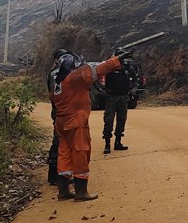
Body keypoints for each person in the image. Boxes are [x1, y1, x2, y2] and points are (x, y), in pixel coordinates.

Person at [50, 49, 130, 201]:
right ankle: (81, 192)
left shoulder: (58, 82)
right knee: (81, 152)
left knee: (64, 155)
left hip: (61, 122)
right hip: (76, 121)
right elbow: (97, 71)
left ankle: (63, 191)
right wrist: (116, 59)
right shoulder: (74, 77)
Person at [102, 47, 137, 154]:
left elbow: (135, 79)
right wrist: (101, 90)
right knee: (108, 121)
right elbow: (97, 77)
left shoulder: (128, 67)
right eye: (121, 56)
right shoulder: (109, 67)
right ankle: (107, 144)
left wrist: (133, 89)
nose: (123, 58)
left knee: (121, 120)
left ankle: (118, 142)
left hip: (123, 97)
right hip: (111, 97)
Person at [46, 49, 69, 186]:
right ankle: (54, 176)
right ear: (56, 60)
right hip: (60, 111)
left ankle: (59, 175)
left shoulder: (58, 72)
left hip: (61, 111)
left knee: (62, 143)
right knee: (58, 142)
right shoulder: (55, 74)